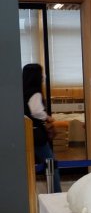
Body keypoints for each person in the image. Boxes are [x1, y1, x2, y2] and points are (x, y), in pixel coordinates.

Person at [22, 63, 61, 192]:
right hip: (36, 134)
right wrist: (48, 117)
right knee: (51, 162)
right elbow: (36, 111)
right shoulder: (35, 92)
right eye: (42, 73)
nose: (44, 76)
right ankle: (56, 192)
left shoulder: (22, 90)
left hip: (25, 131)